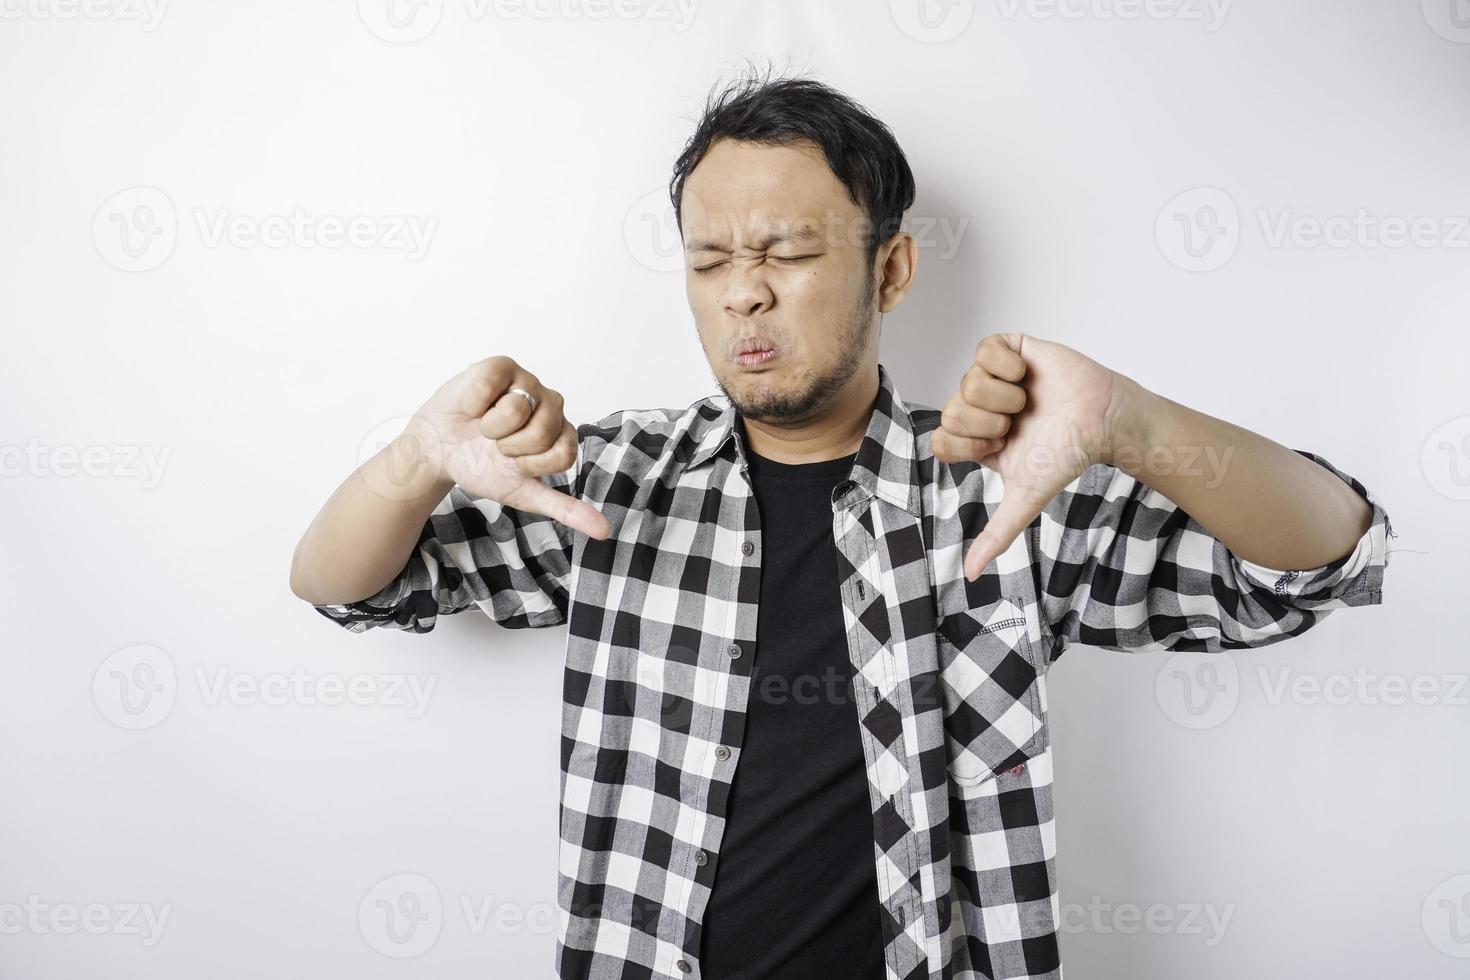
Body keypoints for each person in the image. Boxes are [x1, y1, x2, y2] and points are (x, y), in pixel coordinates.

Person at [290, 71, 1393, 980]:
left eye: (788, 253)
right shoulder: (608, 485)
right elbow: (343, 583)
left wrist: (1131, 421)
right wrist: (421, 452)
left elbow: (1322, 564)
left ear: (893, 267)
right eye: (712, 260)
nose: (743, 295)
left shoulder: (1000, 491)